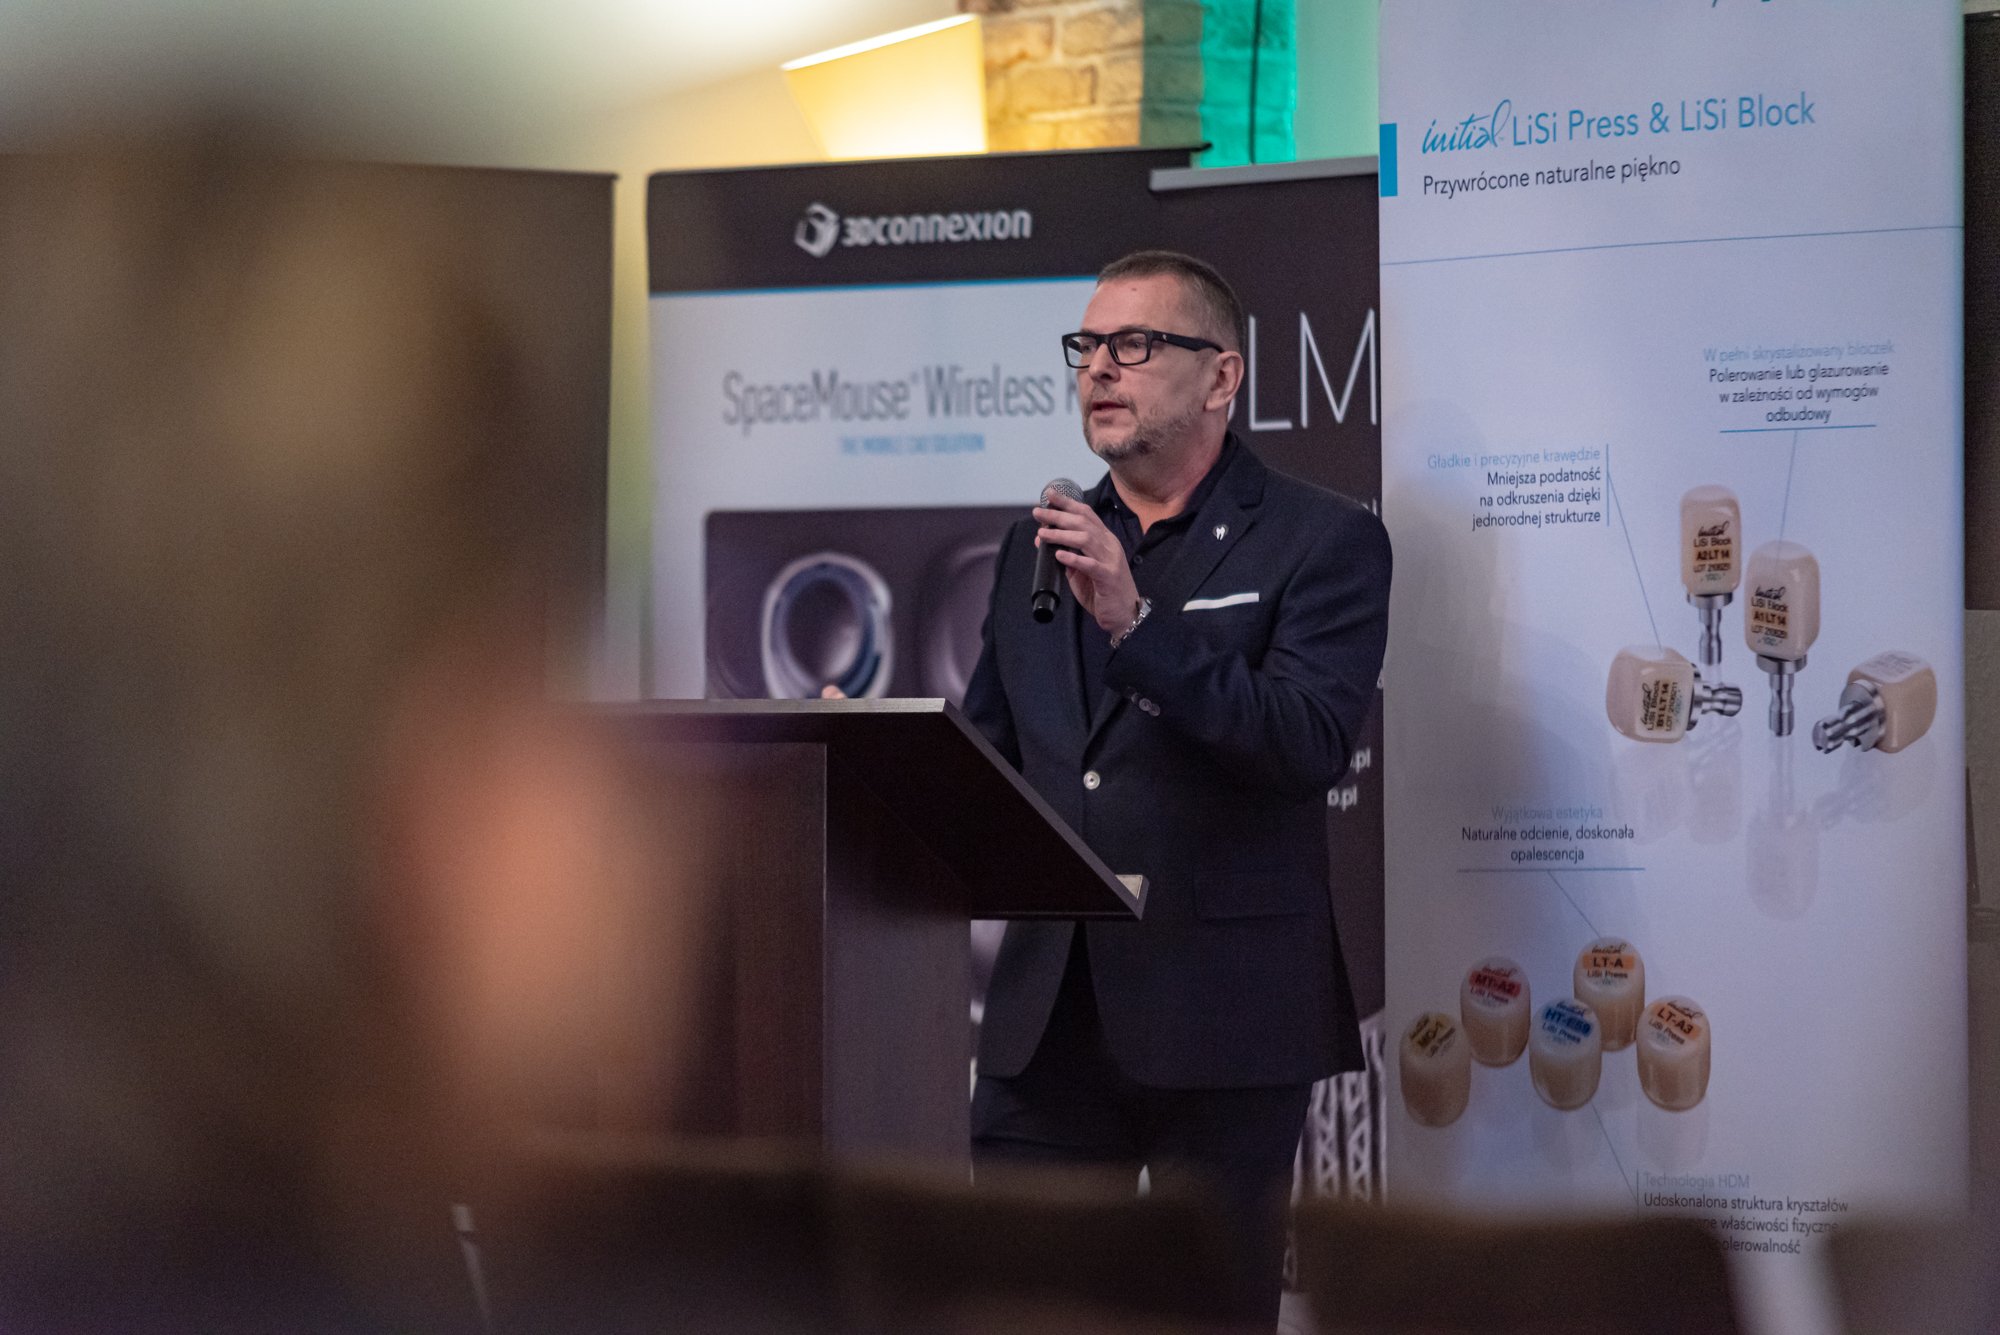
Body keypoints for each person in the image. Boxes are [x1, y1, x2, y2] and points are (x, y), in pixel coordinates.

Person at [961, 250, 1391, 1327]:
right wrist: (880, 741)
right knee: (1021, 1311)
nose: (1098, 369)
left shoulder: (1323, 539)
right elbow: (992, 757)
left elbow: (1305, 743)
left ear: (1220, 377)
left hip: (1225, 1017)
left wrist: (1135, 624)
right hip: (1046, 1025)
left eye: (1135, 345)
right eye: (1087, 346)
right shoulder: (1032, 544)